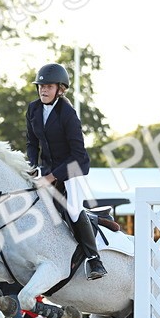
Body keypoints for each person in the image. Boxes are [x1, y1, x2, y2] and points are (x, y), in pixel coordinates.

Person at [25, 62, 106, 279]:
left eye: (49, 86)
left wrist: (52, 177)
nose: (43, 90)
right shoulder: (33, 109)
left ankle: (94, 259)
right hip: (46, 167)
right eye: (41, 86)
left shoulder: (68, 114)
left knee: (72, 209)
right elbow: (32, 143)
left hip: (72, 168)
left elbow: (78, 155)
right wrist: (31, 166)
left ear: (60, 89)